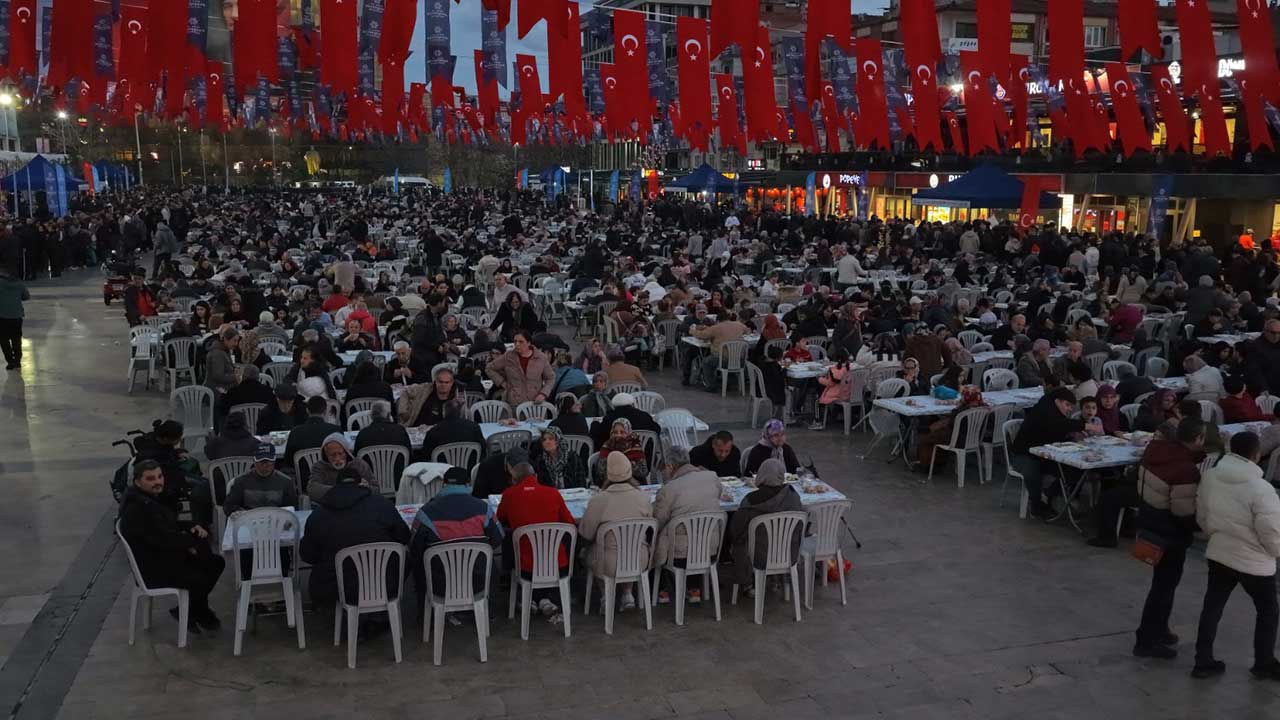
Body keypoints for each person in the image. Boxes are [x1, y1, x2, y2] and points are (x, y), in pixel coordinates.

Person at [1191, 431, 1280, 680]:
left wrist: (1214, 534)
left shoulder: (1211, 476)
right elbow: (1272, 531)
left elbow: (1203, 513)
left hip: (1220, 551)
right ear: (1257, 455)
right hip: (1254, 561)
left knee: (1213, 607)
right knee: (1268, 610)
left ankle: (1202, 661)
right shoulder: (1262, 489)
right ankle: (1263, 662)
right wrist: (1276, 552)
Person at [117, 460, 225, 633]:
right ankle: (196, 612)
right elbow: (161, 540)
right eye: (150, 479)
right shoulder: (137, 508)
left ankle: (191, 611)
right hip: (154, 569)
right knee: (203, 570)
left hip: (163, 557)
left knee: (213, 561)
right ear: (138, 482)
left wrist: (189, 527)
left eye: (159, 477)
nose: (157, 482)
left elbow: (167, 526)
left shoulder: (148, 499)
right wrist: (190, 543)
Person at [1133, 417, 1207, 660]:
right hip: (1170, 533)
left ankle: (1160, 629)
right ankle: (1146, 639)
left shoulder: (1155, 450)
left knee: (1163, 584)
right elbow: (1183, 511)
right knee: (1163, 587)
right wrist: (1199, 528)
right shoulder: (1184, 469)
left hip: (1149, 521)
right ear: (1197, 439)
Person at [299, 465, 411, 610]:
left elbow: (308, 556)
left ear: (336, 486)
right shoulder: (382, 505)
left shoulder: (318, 515)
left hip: (336, 588)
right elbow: (403, 536)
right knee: (406, 558)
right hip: (383, 581)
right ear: (360, 484)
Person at [408, 467, 504, 609]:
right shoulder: (484, 508)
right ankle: (488, 611)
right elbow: (498, 538)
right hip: (479, 582)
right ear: (468, 485)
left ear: (444, 485)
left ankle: (427, 613)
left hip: (440, 584)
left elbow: (415, 547)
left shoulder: (426, 512)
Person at [495, 456, 576, 622]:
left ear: (513, 479)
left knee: (512, 538)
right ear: (536, 477)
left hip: (525, 568)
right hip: (557, 566)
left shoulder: (509, 495)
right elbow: (570, 523)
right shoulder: (553, 493)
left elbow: (500, 518)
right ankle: (543, 598)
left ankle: (530, 597)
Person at [579, 451, 654, 611]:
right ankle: (628, 594)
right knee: (630, 546)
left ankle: (606, 595)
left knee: (593, 550)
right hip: (639, 559)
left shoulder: (599, 500)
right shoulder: (643, 498)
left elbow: (586, 533)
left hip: (607, 563)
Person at [652, 446, 723, 604]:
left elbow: (658, 520)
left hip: (680, 556)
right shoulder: (712, 477)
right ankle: (694, 588)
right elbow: (717, 495)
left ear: (670, 466)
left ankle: (661, 590)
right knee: (695, 534)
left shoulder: (669, 489)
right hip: (710, 551)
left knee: (656, 537)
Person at [726, 458, 803, 590]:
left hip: (758, 557)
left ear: (762, 474)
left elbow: (736, 530)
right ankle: (777, 579)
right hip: (788, 554)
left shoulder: (751, 500)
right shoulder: (793, 496)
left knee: (739, 541)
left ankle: (748, 583)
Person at [1009, 388, 1086, 520]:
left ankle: (1051, 494)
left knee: (1076, 469)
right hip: (1024, 454)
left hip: (1045, 454)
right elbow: (1055, 425)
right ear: (1057, 401)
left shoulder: (1054, 412)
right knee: (1032, 471)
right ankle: (1036, 505)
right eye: (1067, 405)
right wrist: (1084, 426)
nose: (1069, 409)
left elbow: (1056, 431)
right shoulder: (1043, 411)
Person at [223, 443, 299, 515]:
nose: (265, 465)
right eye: (261, 461)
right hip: (249, 522)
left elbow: (292, 508)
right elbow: (229, 506)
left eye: (268, 461)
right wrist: (240, 512)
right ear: (254, 461)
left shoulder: (286, 482)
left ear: (274, 461)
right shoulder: (240, 481)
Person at [486, 330, 555, 406]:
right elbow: (489, 368)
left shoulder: (541, 358)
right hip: (514, 402)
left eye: (521, 342)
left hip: (535, 403)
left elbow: (550, 378)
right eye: (515, 342)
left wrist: (543, 394)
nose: (517, 344)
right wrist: (502, 383)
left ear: (528, 343)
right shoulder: (508, 356)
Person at [307, 433, 377, 504]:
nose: (337, 458)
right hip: (331, 508)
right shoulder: (319, 467)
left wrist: (367, 487)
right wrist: (342, 490)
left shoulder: (359, 465)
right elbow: (312, 490)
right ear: (326, 455)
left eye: (340, 453)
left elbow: (376, 490)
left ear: (346, 452)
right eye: (332, 455)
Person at [282, 396, 342, 472]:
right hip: (331, 476)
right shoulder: (336, 431)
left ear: (307, 410)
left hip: (304, 477)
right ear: (325, 411)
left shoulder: (295, 432)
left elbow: (289, 461)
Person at [590, 391, 660, 449]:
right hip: (644, 456)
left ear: (614, 406)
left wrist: (595, 423)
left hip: (616, 456)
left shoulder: (609, 418)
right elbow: (657, 429)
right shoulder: (644, 416)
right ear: (632, 404)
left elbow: (598, 433)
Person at [419, 402, 486, 461]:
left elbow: (425, 455)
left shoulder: (433, 432)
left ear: (443, 413)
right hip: (469, 469)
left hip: (442, 470)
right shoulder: (474, 427)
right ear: (459, 412)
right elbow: (483, 448)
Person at [593, 418, 650, 484]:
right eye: (615, 432)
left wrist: (619, 466)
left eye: (622, 432)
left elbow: (643, 471)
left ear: (628, 432)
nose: (618, 435)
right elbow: (601, 472)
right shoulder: (607, 446)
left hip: (633, 484)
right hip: (612, 485)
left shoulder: (635, 446)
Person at [0, 266, 29, 369]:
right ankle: (17, 360)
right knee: (16, 338)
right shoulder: (20, 284)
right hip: (16, 316)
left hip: (2, 316)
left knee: (3, 340)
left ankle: (10, 361)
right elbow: (26, 297)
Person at [205, 328, 241, 396]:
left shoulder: (224, 350)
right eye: (234, 341)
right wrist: (236, 377)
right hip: (217, 390)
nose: (236, 344)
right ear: (226, 340)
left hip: (223, 386)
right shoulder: (217, 354)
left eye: (237, 341)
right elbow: (218, 377)